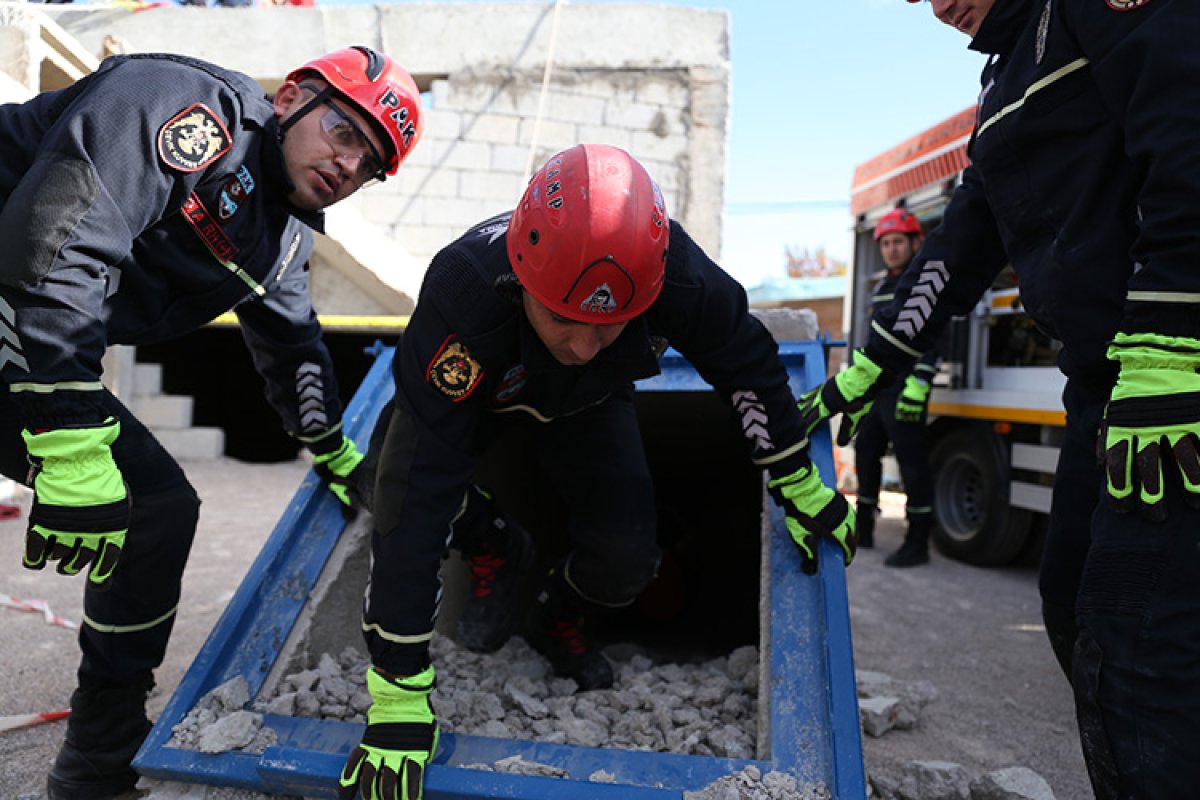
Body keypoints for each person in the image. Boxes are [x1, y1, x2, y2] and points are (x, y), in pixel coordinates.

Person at [336, 143, 856, 800]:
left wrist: (796, 478)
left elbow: (745, 361)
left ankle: (555, 612)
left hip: (591, 402)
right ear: (522, 279)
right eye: (563, 318)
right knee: (383, 485)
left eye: (609, 325)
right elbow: (418, 498)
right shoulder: (462, 293)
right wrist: (397, 695)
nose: (583, 345)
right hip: (486, 391)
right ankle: (495, 541)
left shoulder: (673, 269)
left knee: (626, 561)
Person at [0, 45, 423, 800]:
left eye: (369, 166)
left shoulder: (285, 238)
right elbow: (56, 240)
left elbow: (292, 347)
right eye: (345, 132)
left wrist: (333, 449)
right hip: (17, 282)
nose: (347, 165)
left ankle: (98, 762)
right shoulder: (187, 109)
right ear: (294, 95)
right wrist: (67, 431)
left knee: (158, 509)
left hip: (21, 329)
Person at [800, 1, 1200, 796]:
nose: (936, 4)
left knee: (1139, 646)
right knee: (1074, 605)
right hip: (1107, 392)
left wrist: (1171, 342)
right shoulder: (1005, 78)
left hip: (1174, 386)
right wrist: (872, 364)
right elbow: (958, 250)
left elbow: (1188, 128)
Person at [852, 207, 939, 567]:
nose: (891, 249)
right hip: (877, 390)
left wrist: (920, 381)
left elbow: (933, 334)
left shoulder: (922, 283)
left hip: (905, 390)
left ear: (915, 242)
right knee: (866, 455)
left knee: (912, 465)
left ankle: (917, 542)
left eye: (898, 242)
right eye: (886, 243)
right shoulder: (884, 287)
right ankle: (864, 529)